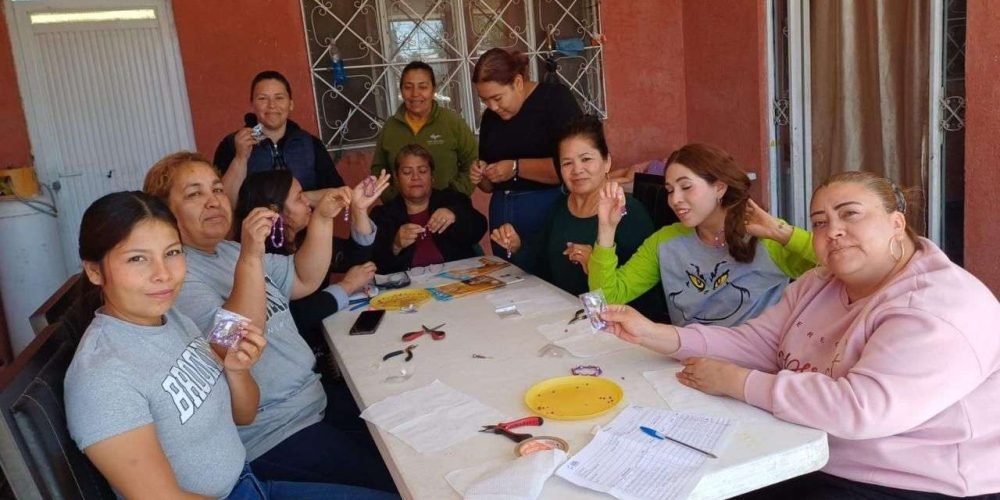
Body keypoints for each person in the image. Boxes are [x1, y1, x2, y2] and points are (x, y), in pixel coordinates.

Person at [600, 171, 1000, 499]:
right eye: (820, 222)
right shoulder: (820, 282)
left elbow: (861, 409)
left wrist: (739, 382)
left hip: (915, 481)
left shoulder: (937, 306)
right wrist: (655, 334)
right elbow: (756, 343)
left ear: (896, 223)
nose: (834, 231)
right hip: (810, 452)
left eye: (850, 214)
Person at [64, 191, 393, 499]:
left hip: (248, 480)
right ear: (94, 271)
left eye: (172, 253)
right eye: (137, 259)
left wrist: (236, 371)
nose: (162, 273)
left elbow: (244, 414)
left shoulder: (175, 319)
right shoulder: (102, 377)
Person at [143, 152, 397, 493]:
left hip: (312, 401)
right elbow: (231, 343)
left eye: (217, 189)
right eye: (194, 194)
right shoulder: (177, 275)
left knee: (405, 447)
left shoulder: (228, 251)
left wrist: (323, 218)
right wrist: (251, 256)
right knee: (398, 482)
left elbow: (303, 277)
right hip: (275, 432)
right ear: (165, 212)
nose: (213, 201)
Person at [588, 143, 816, 326]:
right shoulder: (665, 242)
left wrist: (781, 232)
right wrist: (606, 228)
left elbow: (833, 264)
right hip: (687, 361)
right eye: (669, 190)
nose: (674, 199)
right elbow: (604, 300)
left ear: (720, 188)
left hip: (751, 364)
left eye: (686, 187)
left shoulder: (766, 238)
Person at [490, 115, 654, 297]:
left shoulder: (628, 212)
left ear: (606, 162)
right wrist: (517, 246)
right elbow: (541, 267)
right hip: (563, 309)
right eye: (567, 163)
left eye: (586, 159)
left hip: (611, 314)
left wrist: (596, 266)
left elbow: (646, 288)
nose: (577, 170)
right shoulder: (558, 208)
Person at [233, 169, 389, 348]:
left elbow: (356, 261)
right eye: (299, 197)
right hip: (303, 349)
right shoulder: (258, 258)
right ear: (275, 211)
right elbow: (295, 316)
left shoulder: (306, 238)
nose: (308, 202)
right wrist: (346, 286)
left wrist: (359, 210)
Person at [471, 47, 582, 267]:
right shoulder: (490, 117)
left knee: (548, 275)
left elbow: (571, 168)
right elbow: (489, 187)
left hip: (547, 210)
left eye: (497, 98)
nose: (492, 107)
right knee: (507, 278)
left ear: (518, 82)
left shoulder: (554, 100)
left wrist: (516, 167)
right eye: (485, 101)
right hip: (502, 214)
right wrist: (480, 174)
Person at [214, 70, 345, 204]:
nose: (272, 105)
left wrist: (297, 200)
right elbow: (222, 203)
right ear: (252, 105)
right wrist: (240, 158)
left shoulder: (310, 144)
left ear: (291, 104)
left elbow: (339, 194)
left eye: (279, 98)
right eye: (262, 98)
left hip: (307, 218)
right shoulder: (231, 145)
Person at [355, 144, 487, 273]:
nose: (415, 177)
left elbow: (480, 227)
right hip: (408, 286)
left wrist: (455, 215)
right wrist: (395, 245)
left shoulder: (452, 199)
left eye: (422, 171)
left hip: (459, 281)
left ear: (432, 176)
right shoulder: (383, 215)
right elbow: (374, 265)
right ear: (397, 178)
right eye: (407, 172)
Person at [371, 61, 478, 200]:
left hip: (450, 207)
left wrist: (454, 196)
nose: (415, 94)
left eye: (423, 87)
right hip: (402, 210)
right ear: (401, 91)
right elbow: (378, 169)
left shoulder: (452, 122)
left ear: (433, 90)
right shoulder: (390, 127)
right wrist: (393, 200)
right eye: (408, 87)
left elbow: (473, 162)